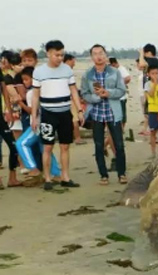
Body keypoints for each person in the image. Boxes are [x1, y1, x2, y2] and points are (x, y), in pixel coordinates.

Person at [31, 40, 84, 190]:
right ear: (48, 53)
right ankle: (47, 178)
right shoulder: (39, 72)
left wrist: (79, 110)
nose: (59, 58)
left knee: (65, 146)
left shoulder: (67, 70)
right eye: (56, 55)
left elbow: (73, 90)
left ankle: (65, 177)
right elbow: (35, 96)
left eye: (62, 55)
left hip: (65, 113)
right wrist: (34, 117)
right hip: (48, 113)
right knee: (47, 147)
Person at [81, 44, 128, 185]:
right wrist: (96, 98)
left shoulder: (115, 72)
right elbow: (84, 94)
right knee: (99, 145)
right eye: (95, 54)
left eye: (101, 53)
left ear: (105, 55)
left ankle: (122, 173)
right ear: (91, 57)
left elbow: (122, 90)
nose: (98, 56)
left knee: (119, 144)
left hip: (113, 112)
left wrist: (108, 93)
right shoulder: (87, 74)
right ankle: (103, 175)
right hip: (96, 114)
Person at [16, 66, 62, 181]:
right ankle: (56, 173)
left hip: (37, 125)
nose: (24, 82)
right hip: (46, 123)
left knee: (21, 143)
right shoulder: (43, 90)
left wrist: (19, 103)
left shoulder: (31, 93)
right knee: (45, 149)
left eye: (26, 79)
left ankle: (33, 168)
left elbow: (32, 111)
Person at [138, 44, 158, 135]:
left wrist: (140, 53)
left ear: (149, 53)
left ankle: (152, 131)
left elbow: (141, 65)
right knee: (149, 109)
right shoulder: (155, 61)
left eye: (145, 53)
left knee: (149, 109)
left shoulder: (152, 60)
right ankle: (147, 129)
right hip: (153, 88)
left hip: (152, 88)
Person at [144, 65, 158, 155]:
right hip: (152, 111)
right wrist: (155, 83)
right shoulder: (147, 84)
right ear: (148, 74)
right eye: (153, 73)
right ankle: (153, 153)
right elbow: (150, 94)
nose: (155, 75)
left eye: (157, 73)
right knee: (153, 132)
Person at [109, 57, 131, 128]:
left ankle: (122, 128)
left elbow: (128, 78)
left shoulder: (121, 69)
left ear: (114, 63)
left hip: (121, 97)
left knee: (122, 113)